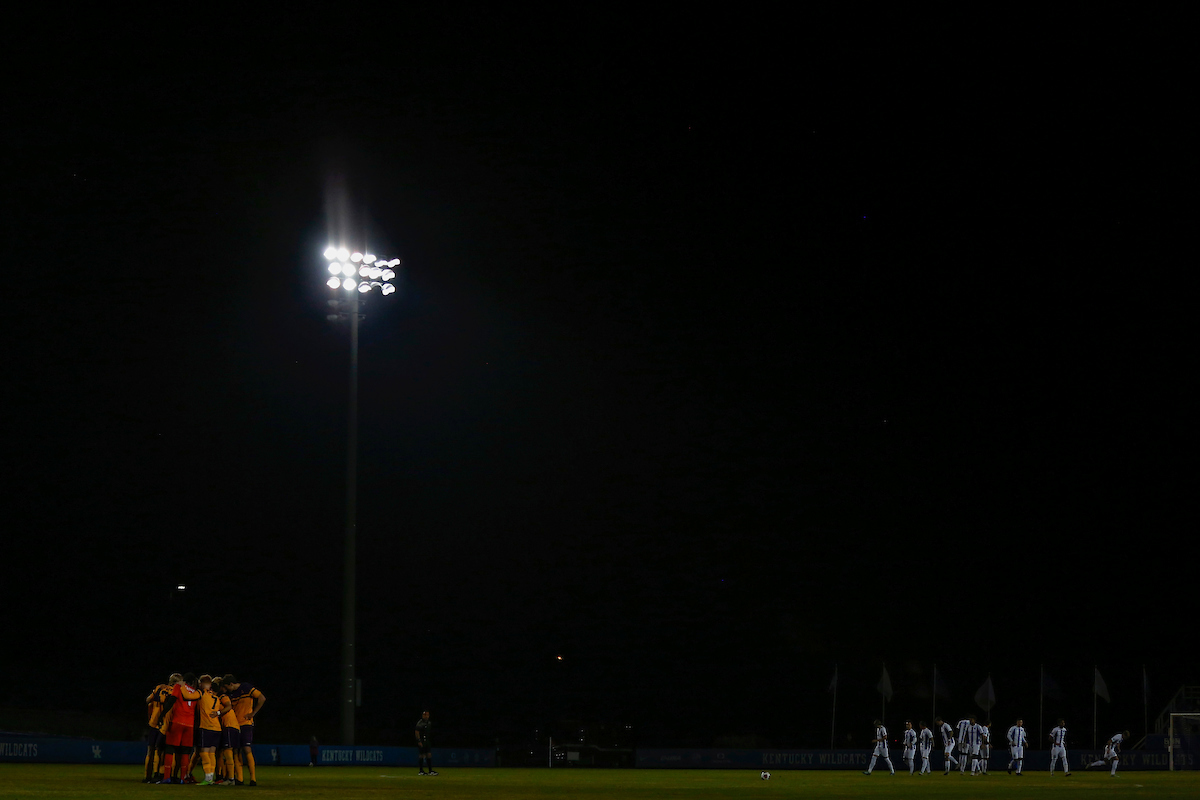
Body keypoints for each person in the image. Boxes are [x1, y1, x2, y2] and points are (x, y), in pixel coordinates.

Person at [157, 672, 201, 784]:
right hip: (190, 725)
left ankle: (166, 777)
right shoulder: (195, 692)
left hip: (177, 721)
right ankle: (182, 778)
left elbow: (172, 700)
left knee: (169, 749)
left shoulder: (178, 687)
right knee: (185, 752)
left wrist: (162, 715)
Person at [224, 674, 265, 786]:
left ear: (231, 684)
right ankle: (240, 779)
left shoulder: (246, 687)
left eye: (227, 687)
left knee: (247, 749)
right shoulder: (231, 694)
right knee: (236, 751)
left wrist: (253, 713)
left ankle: (253, 779)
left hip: (246, 724)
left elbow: (262, 698)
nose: (227, 689)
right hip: (235, 725)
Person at [143, 674, 178, 783]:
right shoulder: (174, 691)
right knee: (162, 751)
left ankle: (147, 776)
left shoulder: (159, 687)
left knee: (150, 751)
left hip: (153, 722)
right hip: (165, 723)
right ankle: (160, 775)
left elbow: (148, 700)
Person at [196, 675, 224, 785]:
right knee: (212, 753)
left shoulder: (202, 694)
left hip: (206, 727)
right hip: (217, 728)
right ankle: (211, 777)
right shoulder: (216, 698)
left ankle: (208, 778)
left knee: (204, 753)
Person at [215, 678, 243, 785]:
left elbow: (229, 706)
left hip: (229, 726)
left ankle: (231, 779)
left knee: (228, 752)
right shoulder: (220, 697)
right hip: (232, 726)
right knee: (229, 753)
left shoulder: (222, 697)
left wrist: (217, 713)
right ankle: (230, 777)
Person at [416, 710, 438, 775]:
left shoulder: (429, 723)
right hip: (422, 740)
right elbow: (417, 732)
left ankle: (430, 770)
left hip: (427, 741)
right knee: (422, 755)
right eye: (425, 715)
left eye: (427, 715)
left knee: (428, 754)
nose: (426, 716)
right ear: (423, 715)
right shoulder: (420, 723)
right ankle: (421, 770)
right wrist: (419, 741)